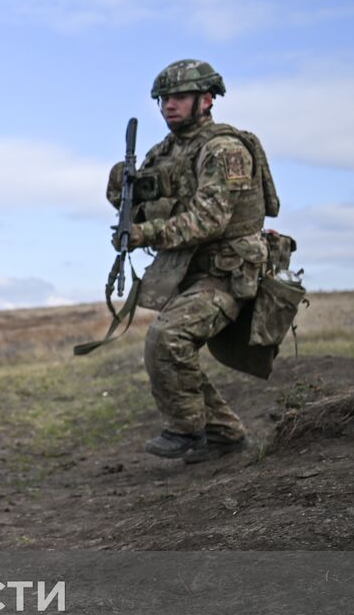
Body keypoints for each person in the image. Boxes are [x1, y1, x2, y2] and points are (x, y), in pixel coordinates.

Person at [107, 60, 278, 465]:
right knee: (167, 349)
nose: (169, 105)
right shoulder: (166, 151)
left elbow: (210, 219)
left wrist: (146, 235)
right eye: (164, 99)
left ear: (206, 100)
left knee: (168, 339)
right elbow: (143, 204)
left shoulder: (225, 149)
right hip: (187, 269)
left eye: (179, 97)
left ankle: (187, 431)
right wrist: (123, 190)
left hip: (227, 271)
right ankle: (225, 436)